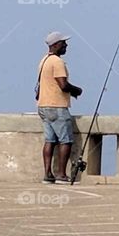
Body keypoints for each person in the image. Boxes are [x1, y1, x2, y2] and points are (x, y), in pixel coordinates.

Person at [36, 32, 80, 183]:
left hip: (43, 105)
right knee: (65, 140)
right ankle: (61, 174)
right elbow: (63, 85)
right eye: (63, 43)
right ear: (55, 45)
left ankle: (48, 174)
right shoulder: (57, 62)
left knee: (50, 141)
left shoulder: (44, 60)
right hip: (57, 106)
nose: (66, 45)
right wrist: (77, 90)